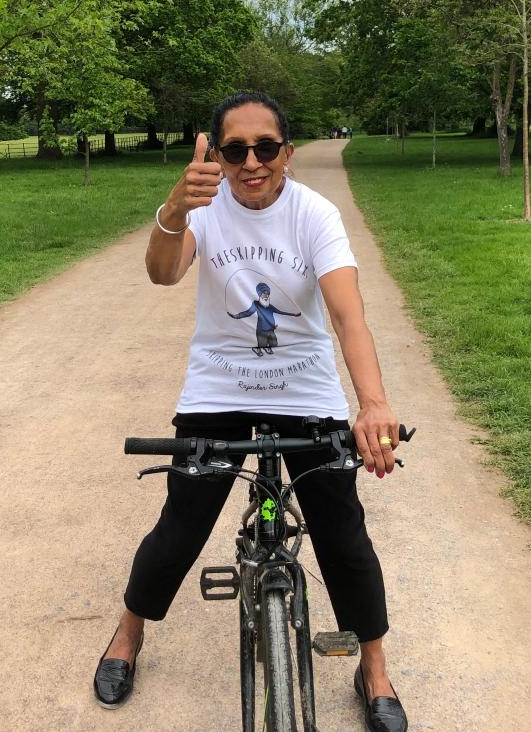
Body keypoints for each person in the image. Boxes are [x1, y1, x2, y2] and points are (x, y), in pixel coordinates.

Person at [94, 91, 408, 732]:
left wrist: (372, 406)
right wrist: (175, 209)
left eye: (266, 147)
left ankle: (373, 667)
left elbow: (348, 316)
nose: (252, 162)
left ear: (287, 153)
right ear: (218, 156)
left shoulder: (314, 215)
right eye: (236, 150)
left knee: (344, 538)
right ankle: (128, 634)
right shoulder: (202, 212)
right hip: (218, 394)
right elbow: (162, 274)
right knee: (179, 528)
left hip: (306, 394)